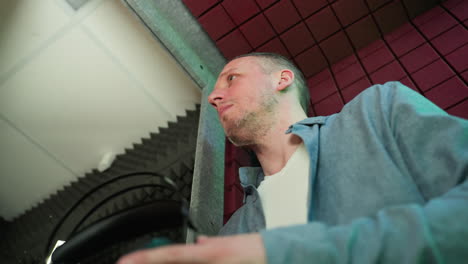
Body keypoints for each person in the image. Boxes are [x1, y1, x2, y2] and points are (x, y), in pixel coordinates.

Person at [117, 53, 468, 264]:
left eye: (231, 78)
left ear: (282, 79)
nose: (214, 96)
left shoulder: (377, 112)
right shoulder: (233, 232)